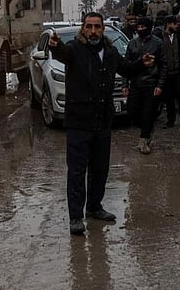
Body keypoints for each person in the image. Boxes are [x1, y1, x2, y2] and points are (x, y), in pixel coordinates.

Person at [49, 12, 152, 235]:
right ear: (83, 29)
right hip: (78, 122)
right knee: (77, 172)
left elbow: (126, 69)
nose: (93, 31)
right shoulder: (75, 50)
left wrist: (141, 64)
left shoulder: (111, 52)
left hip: (103, 122)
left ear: (103, 29)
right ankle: (76, 217)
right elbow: (61, 54)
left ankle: (95, 207)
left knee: (100, 169)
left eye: (97, 26)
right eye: (89, 27)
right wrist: (54, 45)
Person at [125, 17, 165, 154]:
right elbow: (127, 65)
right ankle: (148, 129)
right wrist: (125, 84)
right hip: (135, 83)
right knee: (132, 112)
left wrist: (160, 85)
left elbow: (163, 65)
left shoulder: (158, 43)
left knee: (148, 112)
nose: (140, 29)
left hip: (151, 83)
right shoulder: (132, 44)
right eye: (138, 27)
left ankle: (144, 139)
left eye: (143, 27)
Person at [161, 15, 180, 127]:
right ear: (168, 24)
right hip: (167, 72)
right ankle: (170, 120)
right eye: (174, 24)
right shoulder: (161, 37)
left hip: (177, 72)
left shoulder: (179, 36)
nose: (176, 26)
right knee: (169, 98)